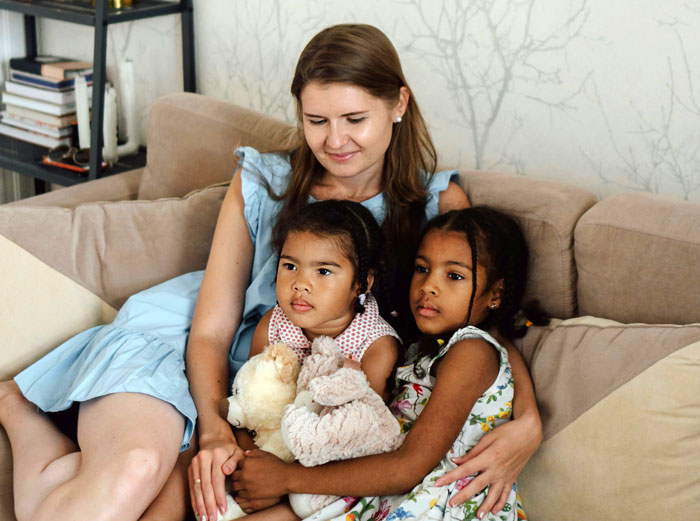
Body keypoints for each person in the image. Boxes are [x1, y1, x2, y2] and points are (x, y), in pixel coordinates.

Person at [0, 23, 540, 521]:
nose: (335, 141)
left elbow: (476, 324)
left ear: (398, 104)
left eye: (355, 119)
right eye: (316, 120)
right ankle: (27, 416)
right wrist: (214, 429)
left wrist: (530, 420)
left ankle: (39, 436)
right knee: (134, 470)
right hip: (186, 350)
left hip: (289, 400)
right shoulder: (263, 182)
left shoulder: (437, 201)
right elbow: (211, 329)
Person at [231, 206, 535, 521]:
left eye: (454, 275)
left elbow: (408, 467)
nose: (429, 286)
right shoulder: (420, 348)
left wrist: (286, 478)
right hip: (382, 498)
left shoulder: (471, 352)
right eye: (422, 269)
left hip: (440, 506)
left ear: (495, 293)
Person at [198, 198, 402, 518]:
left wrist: (282, 482)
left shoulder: (377, 347)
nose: (300, 285)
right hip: (266, 456)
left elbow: (359, 435)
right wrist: (253, 466)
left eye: (323, 271)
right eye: (290, 266)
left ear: (362, 283)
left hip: (326, 479)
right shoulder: (274, 324)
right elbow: (246, 404)